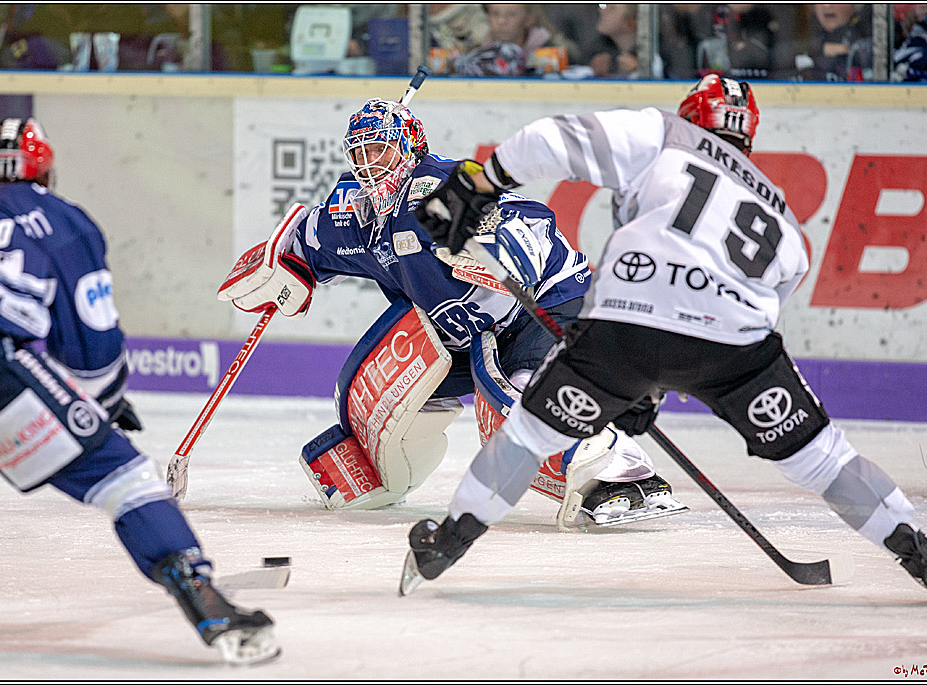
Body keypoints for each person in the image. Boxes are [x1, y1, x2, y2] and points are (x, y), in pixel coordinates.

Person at [405, 74, 927, 601]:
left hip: (627, 329)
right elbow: (753, 304)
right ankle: (919, 551)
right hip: (735, 346)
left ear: (692, 115)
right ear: (749, 134)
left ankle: (449, 540)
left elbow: (555, 138)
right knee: (822, 457)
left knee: (529, 434)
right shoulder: (783, 219)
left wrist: (478, 183)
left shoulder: (664, 136)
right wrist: (664, 381)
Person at [217, 96, 687, 529]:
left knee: (521, 393)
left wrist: (504, 255)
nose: (367, 165)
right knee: (381, 387)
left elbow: (528, 219)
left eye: (378, 151)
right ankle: (386, 472)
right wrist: (278, 265)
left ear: (410, 149)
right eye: (358, 154)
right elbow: (307, 239)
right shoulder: (354, 218)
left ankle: (624, 475)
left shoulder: (440, 189)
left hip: (542, 304)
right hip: (464, 332)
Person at [0, 118, 280, 664]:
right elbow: (91, 344)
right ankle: (204, 598)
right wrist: (101, 405)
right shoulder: (63, 219)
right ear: (46, 169)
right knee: (126, 479)